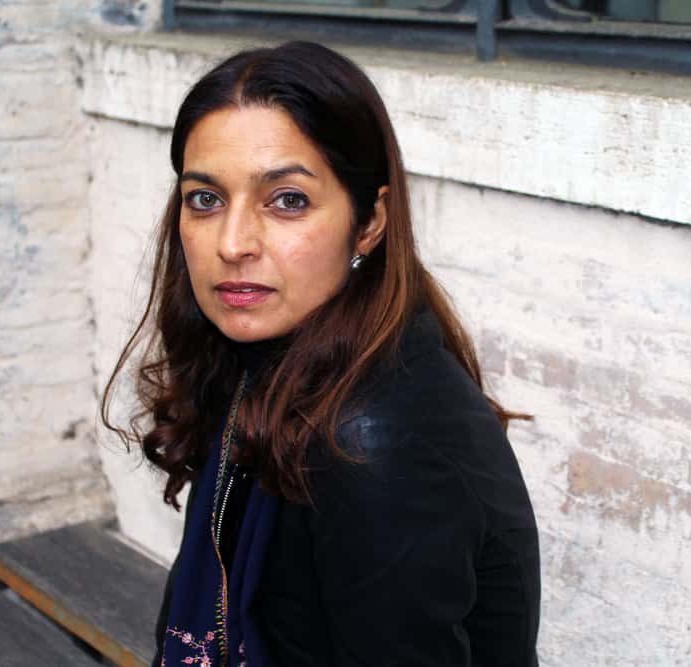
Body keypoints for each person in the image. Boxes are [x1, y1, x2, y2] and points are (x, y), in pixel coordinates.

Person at [102, 40, 541, 667]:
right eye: (206, 199)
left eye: (288, 200)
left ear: (369, 223)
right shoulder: (265, 363)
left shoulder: (373, 442)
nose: (233, 243)